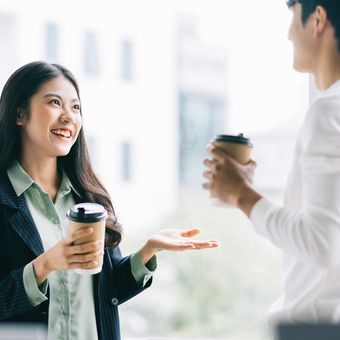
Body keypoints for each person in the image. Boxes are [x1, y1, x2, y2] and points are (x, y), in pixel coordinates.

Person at [0, 61, 218, 340]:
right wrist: (43, 266)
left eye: (76, 107)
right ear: (20, 113)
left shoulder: (88, 197)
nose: (69, 117)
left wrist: (147, 252)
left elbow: (108, 292)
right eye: (55, 103)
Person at [203, 0, 340, 328]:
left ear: (317, 18)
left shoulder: (328, 113)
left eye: (293, 18)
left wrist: (241, 195)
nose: (289, 33)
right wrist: (247, 191)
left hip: (316, 328)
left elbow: (321, 242)